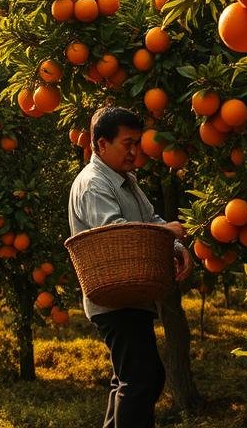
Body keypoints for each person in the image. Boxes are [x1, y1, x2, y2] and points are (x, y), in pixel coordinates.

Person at [69, 105, 192, 428]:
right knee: (141, 379)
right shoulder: (94, 183)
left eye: (138, 142)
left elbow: (149, 219)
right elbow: (117, 234)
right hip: (113, 298)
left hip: (132, 295)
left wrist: (176, 245)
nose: (135, 151)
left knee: (134, 378)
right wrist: (168, 233)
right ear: (100, 145)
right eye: (128, 143)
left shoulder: (126, 180)